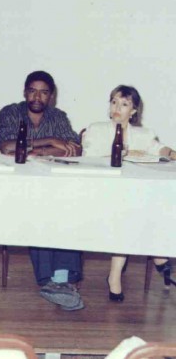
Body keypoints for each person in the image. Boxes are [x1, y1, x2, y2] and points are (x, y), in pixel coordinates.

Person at [0, 70, 84, 311]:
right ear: (25, 92)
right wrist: (51, 141)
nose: (37, 97)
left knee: (65, 207)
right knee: (40, 208)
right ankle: (54, 281)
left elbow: (75, 149)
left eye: (43, 92)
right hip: (15, 185)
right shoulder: (11, 112)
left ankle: (61, 280)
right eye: (32, 91)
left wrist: (36, 151)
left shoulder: (58, 116)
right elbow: (6, 146)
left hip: (51, 184)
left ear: (51, 96)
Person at [82, 84, 176, 302]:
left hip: (130, 195)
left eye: (124, 104)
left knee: (147, 204)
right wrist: (126, 153)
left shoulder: (144, 134)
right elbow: (90, 158)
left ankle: (117, 274)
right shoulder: (96, 129)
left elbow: (159, 149)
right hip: (102, 192)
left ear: (133, 111)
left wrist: (172, 153)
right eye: (114, 102)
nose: (117, 107)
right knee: (128, 212)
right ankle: (155, 254)